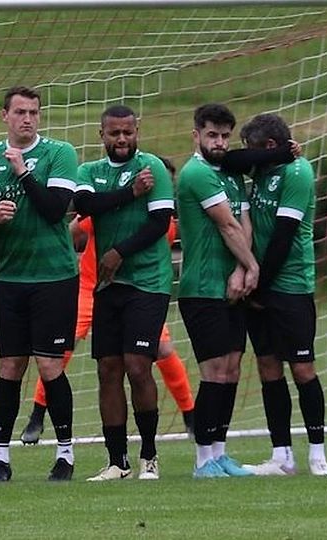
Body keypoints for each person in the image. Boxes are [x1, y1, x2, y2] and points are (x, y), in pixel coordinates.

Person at [18, 157, 195, 447]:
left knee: (162, 349)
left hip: (141, 291)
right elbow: (72, 230)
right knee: (62, 348)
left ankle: (190, 415)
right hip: (92, 286)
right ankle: (37, 414)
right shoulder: (108, 207)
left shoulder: (167, 222)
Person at [0, 86, 80, 482]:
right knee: (10, 366)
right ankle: (0, 457)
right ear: (4, 116)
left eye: (34, 112)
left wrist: (24, 173)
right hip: (11, 279)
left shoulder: (59, 153)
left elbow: (54, 210)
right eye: (20, 112)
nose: (27, 119)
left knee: (49, 365)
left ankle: (65, 454)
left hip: (55, 276)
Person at [65, 104, 174, 481]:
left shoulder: (153, 168)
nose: (122, 139)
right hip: (108, 286)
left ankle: (149, 456)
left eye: (128, 132)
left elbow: (159, 224)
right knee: (107, 370)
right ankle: (117, 462)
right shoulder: (89, 172)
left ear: (137, 131)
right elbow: (84, 205)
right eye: (115, 133)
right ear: (102, 135)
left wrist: (118, 251)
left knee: (137, 365)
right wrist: (130, 192)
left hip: (148, 282)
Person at [232, 114, 327, 477]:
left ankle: (318, 454)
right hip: (259, 285)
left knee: (303, 368)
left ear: (269, 147)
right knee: (268, 368)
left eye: (252, 148)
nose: (248, 156)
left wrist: (258, 281)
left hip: (289, 285)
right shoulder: (262, 168)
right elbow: (230, 161)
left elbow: (284, 235)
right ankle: (282, 455)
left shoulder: (297, 173)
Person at [177, 103, 262, 479]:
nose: (219, 142)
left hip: (231, 286)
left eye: (225, 135)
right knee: (213, 371)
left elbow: (244, 222)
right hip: (201, 288)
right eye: (212, 134)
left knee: (231, 369)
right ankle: (202, 460)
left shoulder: (230, 176)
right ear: (196, 135)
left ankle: (221, 453)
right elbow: (226, 226)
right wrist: (252, 266)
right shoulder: (196, 173)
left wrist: (241, 272)